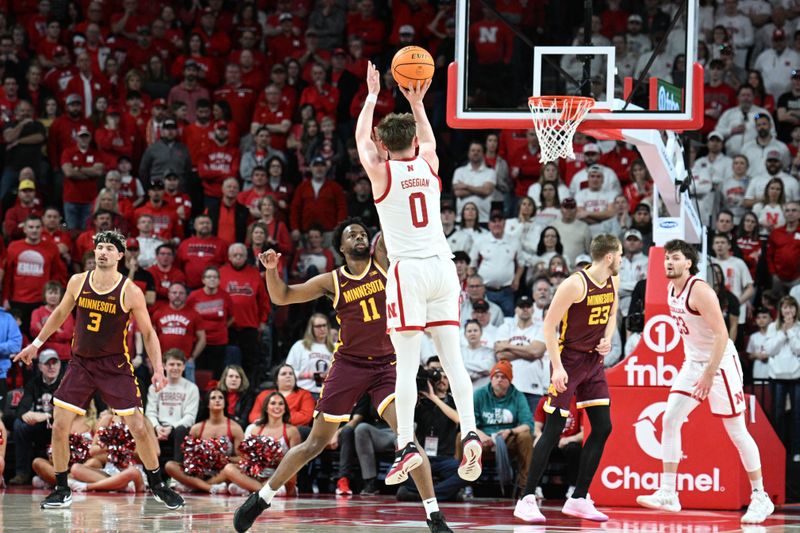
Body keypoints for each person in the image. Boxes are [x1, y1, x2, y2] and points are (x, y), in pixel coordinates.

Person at [232, 218, 452, 533]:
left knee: (408, 438)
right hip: (349, 365)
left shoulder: (383, 262)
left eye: (363, 233)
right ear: (341, 247)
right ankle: (262, 498)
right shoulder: (332, 281)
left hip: (387, 365)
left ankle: (434, 516)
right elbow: (282, 296)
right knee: (314, 444)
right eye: (353, 235)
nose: (360, 237)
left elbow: (394, 219)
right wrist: (270, 270)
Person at [354, 61, 481, 486]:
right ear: (412, 141)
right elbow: (426, 138)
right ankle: (470, 432)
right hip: (444, 269)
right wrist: (417, 102)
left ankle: (406, 444)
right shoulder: (428, 165)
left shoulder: (381, 172)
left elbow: (360, 139)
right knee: (454, 360)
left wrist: (373, 96)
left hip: (407, 272)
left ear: (383, 145)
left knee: (405, 367)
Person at [13, 230, 184, 510]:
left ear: (120, 255)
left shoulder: (130, 291)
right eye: (99, 247)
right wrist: (36, 344)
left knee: (139, 427)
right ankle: (61, 488)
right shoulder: (78, 281)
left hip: (114, 365)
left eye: (108, 248)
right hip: (81, 363)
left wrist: (159, 369)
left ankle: (156, 484)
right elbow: (59, 313)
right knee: (59, 426)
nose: (102, 252)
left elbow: (150, 333)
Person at [636, 239, 774, 524]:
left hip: (720, 362)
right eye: (666, 258)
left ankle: (760, 496)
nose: (668, 263)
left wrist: (710, 373)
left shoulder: (700, 291)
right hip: (693, 362)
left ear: (688, 263)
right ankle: (669, 492)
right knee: (671, 418)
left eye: (674, 258)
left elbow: (722, 335)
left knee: (736, 431)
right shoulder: (670, 289)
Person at [514, 234, 620, 523]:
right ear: (609, 256)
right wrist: (558, 368)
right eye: (619, 254)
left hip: (593, 361)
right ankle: (526, 497)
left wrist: (608, 339)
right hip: (568, 359)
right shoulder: (574, 284)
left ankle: (579, 497)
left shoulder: (613, 280)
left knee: (602, 426)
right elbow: (548, 327)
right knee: (553, 429)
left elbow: (612, 313)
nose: (621, 260)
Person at [164, 388, 245, 493]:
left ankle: (195, 486)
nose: (217, 400)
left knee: (232, 469)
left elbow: (242, 459)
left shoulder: (235, 428)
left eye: (220, 398)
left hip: (222, 473)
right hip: (200, 473)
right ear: (207, 404)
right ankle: (210, 488)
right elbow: (188, 457)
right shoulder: (197, 428)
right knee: (170, 466)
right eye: (213, 398)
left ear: (225, 403)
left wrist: (225, 459)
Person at [473, 360, 534, 496]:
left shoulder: (518, 396)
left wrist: (510, 431)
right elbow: (469, 423)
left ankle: (525, 487)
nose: (499, 380)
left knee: (525, 436)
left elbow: (528, 424)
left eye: (504, 377)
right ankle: (463, 485)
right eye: (496, 376)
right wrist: (481, 435)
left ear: (510, 380)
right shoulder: (479, 394)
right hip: (483, 437)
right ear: (491, 378)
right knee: (462, 437)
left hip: (507, 438)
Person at [223, 391, 301, 497]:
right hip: (257, 475)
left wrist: (275, 457)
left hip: (279, 475)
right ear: (266, 408)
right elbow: (246, 458)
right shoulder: (255, 430)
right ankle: (264, 490)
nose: (277, 407)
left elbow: (296, 461)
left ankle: (252, 489)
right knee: (229, 468)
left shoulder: (291, 431)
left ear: (285, 408)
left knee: (291, 470)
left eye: (281, 404)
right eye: (273, 403)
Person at [145, 349, 200, 464]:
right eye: (171, 364)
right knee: (147, 427)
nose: (175, 368)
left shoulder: (192, 388)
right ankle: (153, 477)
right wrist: (157, 427)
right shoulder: (154, 387)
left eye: (179, 364)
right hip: (159, 428)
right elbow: (150, 413)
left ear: (184, 367)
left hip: (179, 429)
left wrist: (172, 428)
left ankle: (176, 473)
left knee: (180, 430)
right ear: (164, 366)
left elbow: (190, 416)